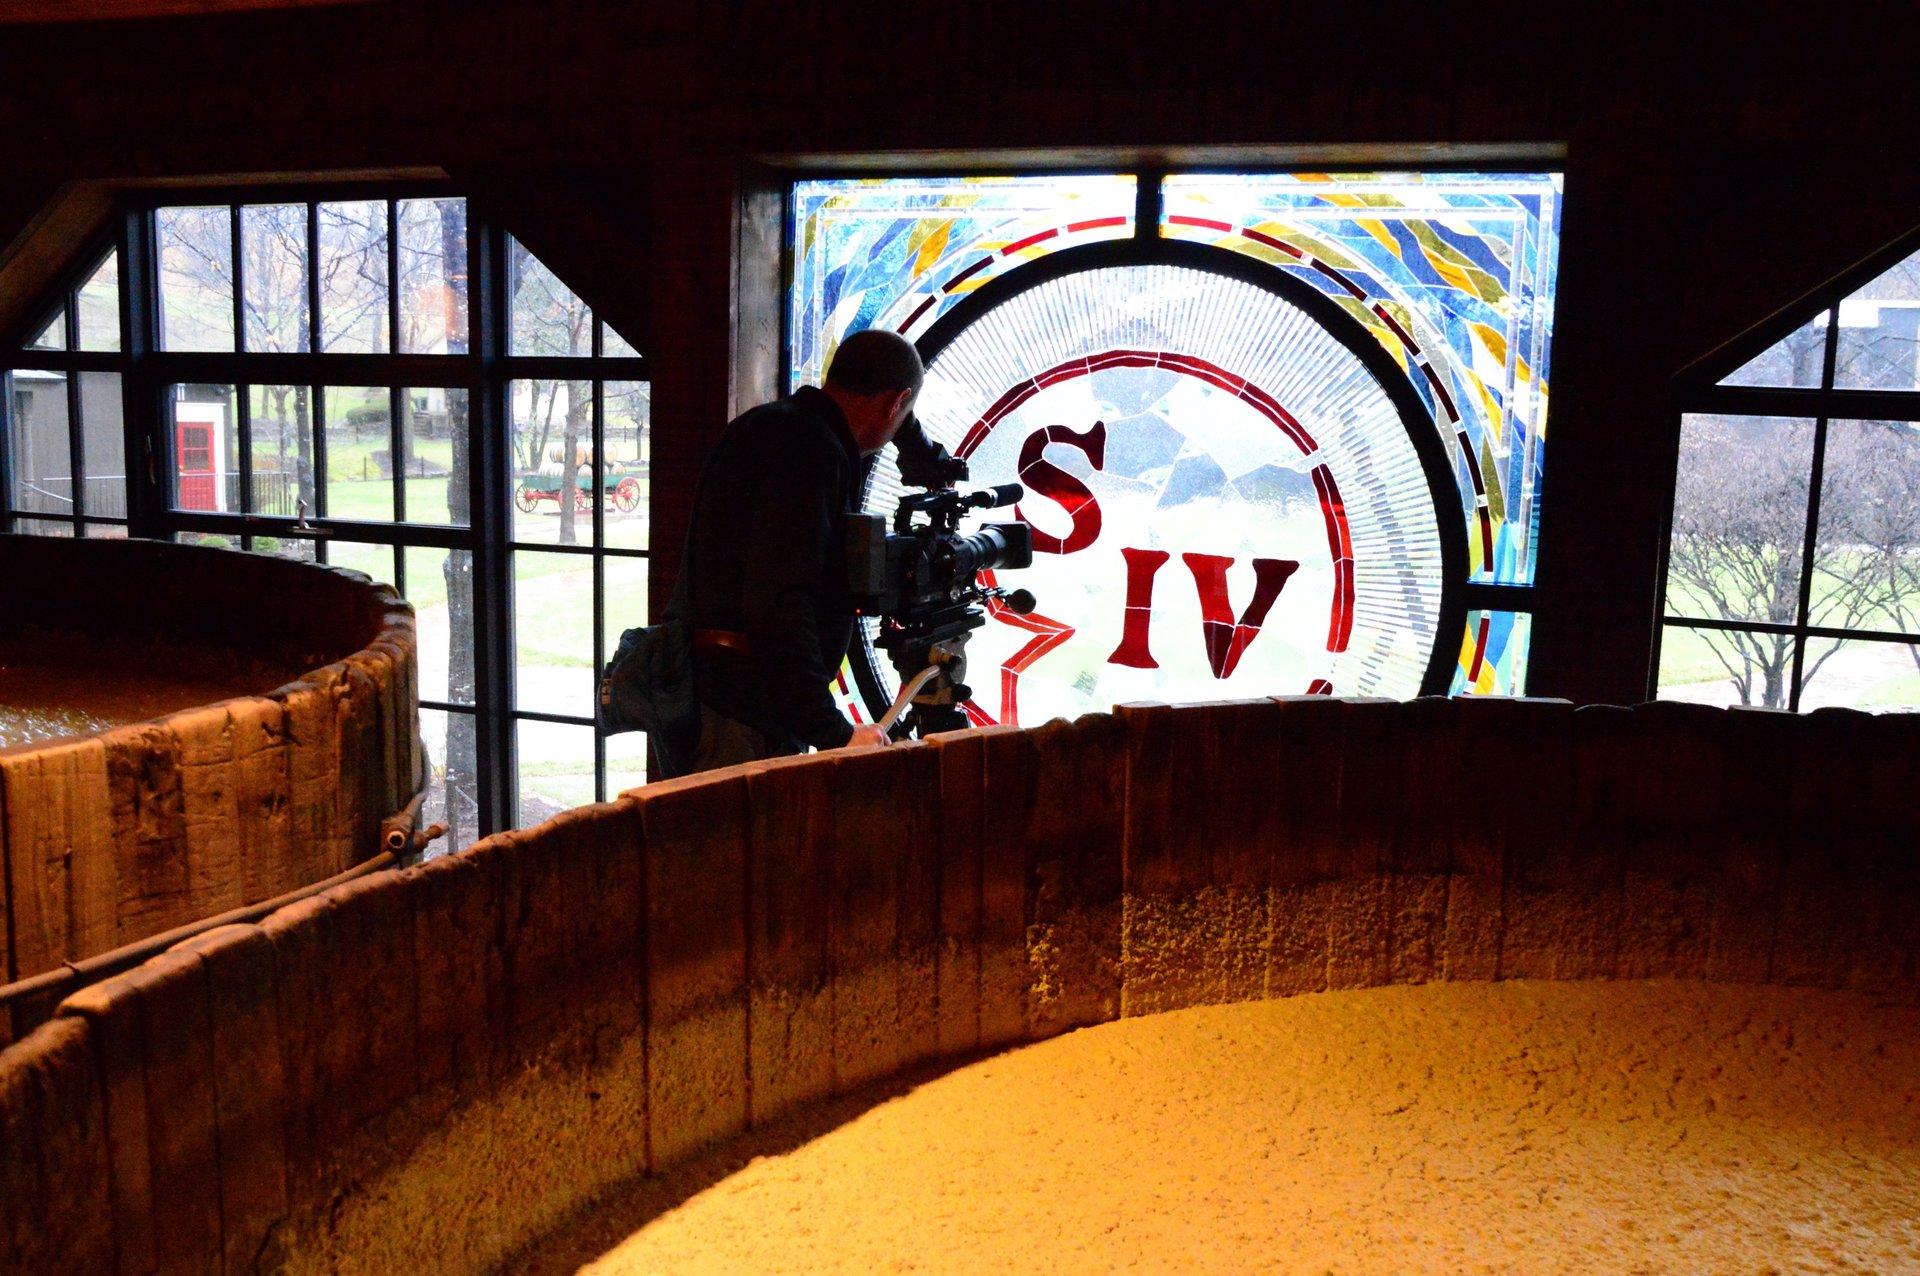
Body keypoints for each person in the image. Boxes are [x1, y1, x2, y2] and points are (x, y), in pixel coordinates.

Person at [674, 328, 955, 774]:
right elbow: (780, 604)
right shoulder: (812, 452)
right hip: (744, 716)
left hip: (709, 694)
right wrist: (835, 733)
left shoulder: (768, 424)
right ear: (894, 403)